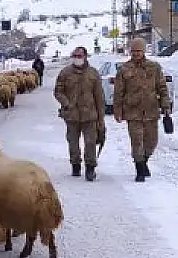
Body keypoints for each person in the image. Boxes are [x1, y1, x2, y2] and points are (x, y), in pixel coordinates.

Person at [112, 38, 171, 182]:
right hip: (133, 112)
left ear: (144, 51)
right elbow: (118, 92)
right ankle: (139, 170)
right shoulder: (124, 69)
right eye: (134, 51)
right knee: (137, 141)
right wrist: (117, 110)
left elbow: (162, 88)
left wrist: (166, 106)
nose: (136, 53)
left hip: (151, 110)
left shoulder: (154, 67)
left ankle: (144, 161)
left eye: (139, 51)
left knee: (152, 142)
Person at [53, 46, 105, 181]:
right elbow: (58, 91)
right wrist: (66, 103)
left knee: (90, 143)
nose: (77, 59)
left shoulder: (93, 73)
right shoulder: (65, 73)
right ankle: (75, 165)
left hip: (89, 115)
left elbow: (99, 96)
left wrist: (101, 118)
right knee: (73, 143)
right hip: (72, 115)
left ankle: (90, 168)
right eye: (75, 56)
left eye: (79, 56)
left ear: (85, 57)